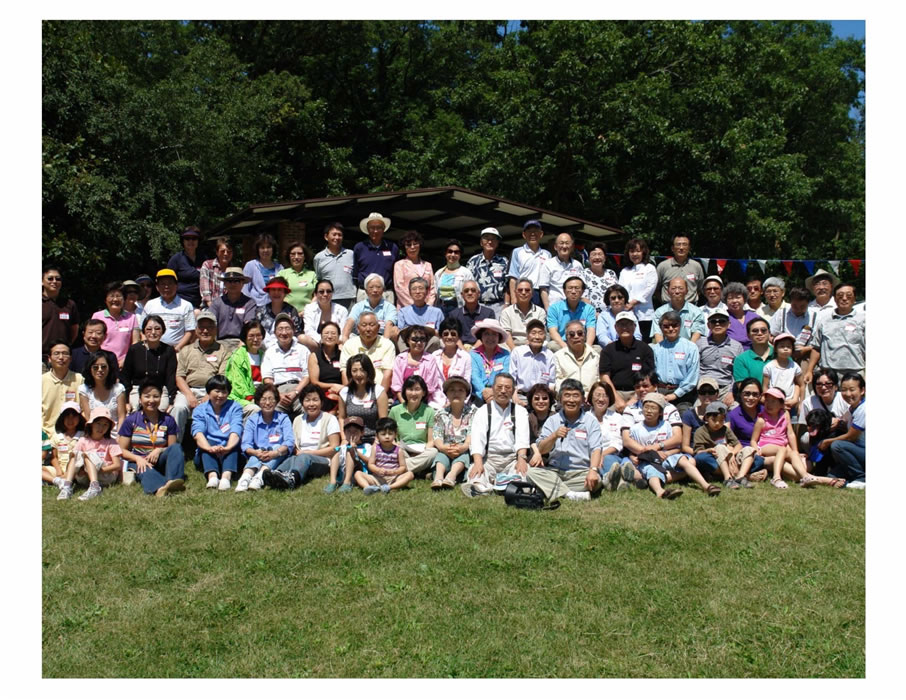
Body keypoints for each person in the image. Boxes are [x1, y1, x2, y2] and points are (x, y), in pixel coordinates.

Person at [620, 392, 707, 500]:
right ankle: (660, 491)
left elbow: (677, 448)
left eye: (653, 408)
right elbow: (632, 449)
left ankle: (706, 485)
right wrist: (637, 455)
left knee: (683, 459)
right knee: (652, 470)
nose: (649, 411)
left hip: (666, 456)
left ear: (661, 412)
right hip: (648, 460)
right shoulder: (635, 429)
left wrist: (666, 453)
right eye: (646, 407)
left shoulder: (666, 426)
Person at [528, 378, 602, 502]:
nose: (571, 400)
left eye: (575, 396)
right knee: (531, 473)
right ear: (560, 399)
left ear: (583, 400)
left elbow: (596, 449)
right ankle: (570, 494)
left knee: (596, 480)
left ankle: (550, 489)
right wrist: (554, 436)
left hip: (580, 472)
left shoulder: (591, 422)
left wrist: (593, 470)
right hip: (555, 471)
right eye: (567, 395)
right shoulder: (552, 420)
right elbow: (541, 450)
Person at [462, 373, 530, 497]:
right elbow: (477, 440)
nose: (503, 391)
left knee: (525, 473)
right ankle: (482, 487)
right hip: (489, 458)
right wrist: (478, 463)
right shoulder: (482, 411)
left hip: (512, 459)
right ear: (492, 389)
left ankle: (498, 486)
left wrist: (521, 460)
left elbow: (522, 438)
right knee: (475, 473)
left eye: (507, 388)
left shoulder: (520, 411)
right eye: (499, 387)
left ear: (513, 391)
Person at [117, 379, 187, 497]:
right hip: (139, 460)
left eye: (156, 396)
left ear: (160, 398)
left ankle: (173, 482)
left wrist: (159, 450)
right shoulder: (131, 420)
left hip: (159, 460)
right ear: (140, 399)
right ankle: (160, 488)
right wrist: (138, 459)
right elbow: (121, 450)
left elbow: (172, 447)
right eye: (147, 396)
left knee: (177, 448)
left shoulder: (168, 420)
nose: (151, 400)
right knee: (144, 468)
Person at [171, 311, 233, 441]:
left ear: (216, 330)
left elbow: (222, 377)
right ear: (196, 330)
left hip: (213, 391)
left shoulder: (224, 351)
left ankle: (211, 445)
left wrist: (209, 395)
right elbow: (179, 377)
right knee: (178, 408)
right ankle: (174, 446)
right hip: (188, 390)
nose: (205, 331)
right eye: (202, 327)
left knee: (214, 406)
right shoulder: (186, 350)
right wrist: (189, 395)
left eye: (209, 327)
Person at [235, 384, 295, 492]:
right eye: (263, 399)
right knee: (258, 453)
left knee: (276, 446)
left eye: (271, 399)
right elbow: (246, 444)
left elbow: (289, 442)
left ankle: (260, 476)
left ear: (276, 401)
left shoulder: (283, 418)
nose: (267, 403)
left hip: (279, 454)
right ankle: (245, 477)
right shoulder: (252, 420)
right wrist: (256, 452)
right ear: (258, 401)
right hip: (258, 455)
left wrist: (275, 453)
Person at [56, 406, 122, 501]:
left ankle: (95, 487)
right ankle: (67, 486)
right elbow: (73, 460)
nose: (101, 428)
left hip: (105, 476)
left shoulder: (111, 442)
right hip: (85, 476)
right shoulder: (83, 440)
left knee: (88, 455)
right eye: (98, 423)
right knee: (75, 454)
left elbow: (117, 465)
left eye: (105, 425)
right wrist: (81, 470)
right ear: (91, 424)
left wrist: (99, 470)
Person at [750, 387, 811, 489]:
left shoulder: (785, 414)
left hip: (783, 445)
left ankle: (805, 477)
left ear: (781, 404)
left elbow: (790, 433)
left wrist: (795, 451)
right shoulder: (761, 420)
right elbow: (753, 440)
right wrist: (756, 450)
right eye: (767, 401)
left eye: (773, 401)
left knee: (794, 455)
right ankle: (776, 478)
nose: (769, 404)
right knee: (782, 449)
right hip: (766, 445)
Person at [192, 374, 244, 490]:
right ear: (209, 392)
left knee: (234, 444)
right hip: (207, 450)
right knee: (207, 442)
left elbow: (236, 429)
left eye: (224, 392)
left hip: (231, 451)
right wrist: (209, 448)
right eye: (217, 391)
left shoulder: (235, 407)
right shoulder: (200, 410)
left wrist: (228, 447)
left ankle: (226, 477)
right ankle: (212, 476)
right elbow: (198, 433)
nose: (220, 395)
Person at [806, 282, 865, 378]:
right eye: (840, 296)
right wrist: (809, 370)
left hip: (855, 372)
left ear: (854, 298)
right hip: (828, 373)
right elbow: (816, 348)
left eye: (849, 295)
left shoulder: (863, 320)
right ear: (834, 299)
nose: (844, 298)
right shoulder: (824, 321)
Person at [598, 312, 655, 410]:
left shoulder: (645, 349)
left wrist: (635, 398)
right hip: (615, 392)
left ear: (635, 326)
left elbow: (648, 376)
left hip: (639, 392)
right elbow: (604, 376)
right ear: (615, 327)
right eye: (621, 324)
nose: (625, 328)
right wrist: (617, 399)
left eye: (628, 324)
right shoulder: (608, 350)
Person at [817, 372, 865, 489]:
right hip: (859, 451)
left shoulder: (864, 409)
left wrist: (827, 442)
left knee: (837, 445)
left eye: (852, 389)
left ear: (862, 390)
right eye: (844, 390)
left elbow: (851, 436)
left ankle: (861, 477)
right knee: (832, 476)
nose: (847, 394)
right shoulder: (852, 408)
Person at [430, 375, 477, 489]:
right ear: (446, 394)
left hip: (464, 448)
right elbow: (437, 436)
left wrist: (463, 447)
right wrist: (443, 448)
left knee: (464, 456)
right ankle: (438, 477)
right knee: (441, 455)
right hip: (446, 447)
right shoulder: (440, 414)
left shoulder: (474, 412)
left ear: (466, 394)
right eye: (452, 390)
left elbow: (471, 434)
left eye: (460, 390)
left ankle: (451, 476)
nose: (456, 393)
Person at [261, 312, 311, 419]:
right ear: (275, 332)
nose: (284, 332)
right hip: (278, 391)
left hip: (299, 390)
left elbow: (307, 376)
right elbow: (267, 378)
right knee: (270, 414)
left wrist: (295, 392)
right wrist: (278, 394)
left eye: (287, 328)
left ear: (293, 331)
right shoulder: (270, 352)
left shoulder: (303, 350)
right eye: (280, 329)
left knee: (310, 411)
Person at [389, 375, 439, 478]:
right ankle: (419, 471)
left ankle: (399, 469)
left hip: (422, 451)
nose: (413, 393)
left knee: (433, 452)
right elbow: (389, 435)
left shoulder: (429, 411)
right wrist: (395, 444)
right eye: (410, 389)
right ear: (404, 391)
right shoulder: (395, 410)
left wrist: (422, 452)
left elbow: (431, 440)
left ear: (423, 392)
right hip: (402, 450)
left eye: (417, 389)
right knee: (395, 450)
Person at [650, 311, 700, 410]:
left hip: (684, 394)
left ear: (680, 326)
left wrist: (675, 394)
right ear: (661, 328)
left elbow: (692, 376)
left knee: (684, 415)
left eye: (674, 325)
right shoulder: (656, 349)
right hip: (660, 392)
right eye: (666, 326)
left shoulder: (691, 347)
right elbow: (652, 373)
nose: (671, 329)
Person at [769, 287, 818, 383]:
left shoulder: (815, 317)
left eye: (802, 306)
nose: (798, 309)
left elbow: (818, 343)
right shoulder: (781, 314)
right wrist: (781, 346)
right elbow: (770, 335)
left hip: (805, 357)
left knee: (803, 384)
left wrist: (806, 349)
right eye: (795, 306)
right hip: (782, 356)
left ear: (808, 303)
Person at [337, 354, 389, 445]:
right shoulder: (345, 392)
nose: (358, 374)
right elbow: (342, 417)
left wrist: (378, 439)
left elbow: (383, 420)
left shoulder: (378, 391)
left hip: (374, 439)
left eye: (362, 370)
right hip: (352, 440)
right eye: (354, 371)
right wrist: (344, 438)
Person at [727, 378, 769, 485]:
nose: (751, 398)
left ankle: (745, 474)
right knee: (760, 460)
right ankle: (747, 475)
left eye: (755, 394)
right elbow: (729, 440)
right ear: (740, 394)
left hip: (766, 449)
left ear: (760, 396)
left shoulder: (765, 411)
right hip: (745, 453)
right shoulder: (733, 415)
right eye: (747, 394)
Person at [695, 311, 743, 406]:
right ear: (708, 325)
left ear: (728, 324)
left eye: (722, 321)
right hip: (704, 388)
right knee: (696, 410)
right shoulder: (700, 344)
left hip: (725, 389)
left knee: (735, 408)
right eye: (713, 321)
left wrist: (731, 392)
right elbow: (695, 369)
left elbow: (738, 373)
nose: (717, 324)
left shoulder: (737, 346)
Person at [692, 402, 743, 489]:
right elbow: (698, 452)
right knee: (701, 458)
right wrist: (708, 450)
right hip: (714, 459)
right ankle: (731, 476)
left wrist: (732, 453)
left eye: (721, 420)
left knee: (756, 458)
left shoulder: (725, 429)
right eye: (714, 420)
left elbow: (738, 445)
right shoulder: (700, 431)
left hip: (729, 458)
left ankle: (723, 475)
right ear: (706, 418)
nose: (717, 423)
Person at [143, 268, 197, 352]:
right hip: (152, 350)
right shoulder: (150, 305)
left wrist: (177, 349)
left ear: (176, 285)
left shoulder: (186, 305)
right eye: (163, 284)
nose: (166, 286)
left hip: (177, 351)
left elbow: (190, 331)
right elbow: (142, 329)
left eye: (170, 283)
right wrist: (147, 347)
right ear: (157, 287)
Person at [339, 312, 396, 390]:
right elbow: (345, 372)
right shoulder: (349, 344)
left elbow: (387, 374)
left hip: (379, 391)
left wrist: (381, 395)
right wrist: (349, 394)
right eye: (364, 325)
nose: (368, 329)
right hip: (355, 391)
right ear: (358, 328)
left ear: (378, 327)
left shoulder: (387, 344)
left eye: (372, 325)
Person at [392, 326, 445, 408]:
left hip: (424, 400)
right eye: (415, 339)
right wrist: (405, 404)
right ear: (408, 340)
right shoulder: (400, 359)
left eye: (422, 339)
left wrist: (416, 404)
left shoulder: (430, 359)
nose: (419, 343)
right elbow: (397, 385)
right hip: (402, 399)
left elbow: (431, 385)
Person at [357, 417, 414, 494]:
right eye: (383, 434)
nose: (387, 436)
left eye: (390, 434)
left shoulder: (398, 450)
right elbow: (371, 464)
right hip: (377, 478)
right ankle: (368, 487)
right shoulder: (375, 448)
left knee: (410, 474)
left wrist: (394, 472)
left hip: (394, 478)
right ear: (377, 436)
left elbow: (403, 467)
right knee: (358, 474)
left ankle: (390, 487)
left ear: (395, 435)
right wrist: (377, 470)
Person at [223, 320, 266, 418]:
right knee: (255, 410)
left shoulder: (264, 355)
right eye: (251, 336)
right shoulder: (238, 357)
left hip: (262, 398)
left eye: (258, 335)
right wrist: (252, 399)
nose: (255, 339)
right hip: (242, 399)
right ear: (245, 338)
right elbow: (238, 385)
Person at [618, 237, 658, 342]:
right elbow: (620, 290)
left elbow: (650, 289)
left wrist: (634, 302)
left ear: (643, 252)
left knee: (644, 343)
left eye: (638, 251)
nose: (635, 254)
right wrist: (626, 304)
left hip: (645, 314)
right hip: (627, 312)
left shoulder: (649, 268)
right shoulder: (625, 271)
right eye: (632, 251)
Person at [353, 212, 398, 304]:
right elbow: (355, 272)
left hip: (386, 293)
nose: (375, 231)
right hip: (365, 293)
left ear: (384, 229)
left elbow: (396, 272)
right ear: (367, 229)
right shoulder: (359, 247)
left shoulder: (392, 247)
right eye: (372, 228)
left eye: (379, 228)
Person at [91, 281, 140, 367]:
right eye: (111, 296)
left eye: (118, 296)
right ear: (105, 299)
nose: (115, 299)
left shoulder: (132, 317)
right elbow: (93, 341)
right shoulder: (97, 316)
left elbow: (135, 342)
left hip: (125, 364)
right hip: (102, 364)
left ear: (124, 299)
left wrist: (126, 360)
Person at [78, 350, 127, 435]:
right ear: (90, 369)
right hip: (94, 435)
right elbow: (88, 417)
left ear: (109, 368)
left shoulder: (119, 388)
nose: (100, 370)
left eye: (103, 367)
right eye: (95, 367)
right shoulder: (84, 389)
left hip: (115, 434)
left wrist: (119, 437)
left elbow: (122, 417)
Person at [208, 267, 257, 351]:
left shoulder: (249, 303)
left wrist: (244, 342)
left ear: (242, 283)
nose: (233, 284)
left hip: (241, 342)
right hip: (219, 343)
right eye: (229, 281)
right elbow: (210, 323)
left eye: (236, 281)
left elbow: (249, 325)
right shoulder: (217, 303)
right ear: (224, 284)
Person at [587, 381, 624, 489]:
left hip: (611, 455)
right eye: (598, 395)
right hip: (590, 456)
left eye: (605, 396)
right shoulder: (584, 418)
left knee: (609, 460)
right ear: (591, 397)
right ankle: (616, 480)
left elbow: (618, 442)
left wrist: (602, 455)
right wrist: (596, 456)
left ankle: (609, 479)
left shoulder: (617, 418)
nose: (601, 399)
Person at [343, 273, 400, 344]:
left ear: (383, 290)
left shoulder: (390, 307)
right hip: (361, 338)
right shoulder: (358, 306)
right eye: (371, 287)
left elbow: (389, 325)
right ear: (366, 291)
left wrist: (384, 346)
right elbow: (350, 322)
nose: (375, 290)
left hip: (381, 338)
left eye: (378, 287)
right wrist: (345, 342)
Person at [466, 226, 509, 316]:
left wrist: (507, 304)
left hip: (499, 306)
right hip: (478, 305)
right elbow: (467, 284)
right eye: (486, 238)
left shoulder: (504, 261)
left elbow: (507, 286)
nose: (490, 242)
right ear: (481, 242)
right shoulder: (473, 261)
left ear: (497, 243)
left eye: (493, 239)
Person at [42, 341, 83, 435]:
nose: (61, 357)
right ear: (49, 358)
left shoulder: (79, 379)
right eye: (56, 353)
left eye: (65, 353)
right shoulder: (42, 381)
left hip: (73, 435)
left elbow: (84, 409)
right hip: (46, 434)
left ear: (71, 358)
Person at [511, 319, 557, 402]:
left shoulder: (549, 355)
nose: (537, 337)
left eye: (541, 333)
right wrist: (515, 397)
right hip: (521, 396)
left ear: (545, 336)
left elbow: (551, 382)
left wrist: (549, 399)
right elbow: (512, 378)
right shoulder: (517, 352)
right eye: (533, 333)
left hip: (542, 398)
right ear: (527, 336)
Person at [546, 276, 597, 351]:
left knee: (598, 349)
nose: (573, 291)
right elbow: (553, 331)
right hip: (562, 343)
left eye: (577, 288)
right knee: (551, 345)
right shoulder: (554, 308)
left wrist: (587, 348)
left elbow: (591, 330)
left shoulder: (589, 309)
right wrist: (566, 348)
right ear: (564, 291)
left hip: (581, 344)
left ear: (582, 291)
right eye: (570, 288)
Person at [314, 222, 357, 310]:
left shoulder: (351, 254)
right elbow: (319, 278)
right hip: (328, 298)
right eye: (334, 234)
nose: (337, 237)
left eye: (339, 235)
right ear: (326, 237)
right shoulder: (319, 257)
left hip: (349, 298)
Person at [508, 220, 551, 306]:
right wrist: (513, 298)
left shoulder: (547, 254)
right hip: (523, 292)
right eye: (529, 231)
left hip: (541, 293)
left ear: (541, 234)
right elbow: (513, 277)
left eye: (536, 231)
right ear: (524, 234)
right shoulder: (517, 252)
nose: (533, 234)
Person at [299, 279, 349, 353]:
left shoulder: (342, 310)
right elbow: (309, 330)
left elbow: (342, 333)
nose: (325, 294)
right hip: (317, 344)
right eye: (321, 292)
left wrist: (332, 341)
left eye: (328, 291)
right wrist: (323, 340)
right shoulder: (309, 308)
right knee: (302, 338)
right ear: (315, 294)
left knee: (343, 345)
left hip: (336, 343)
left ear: (332, 293)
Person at [42, 265, 80, 362]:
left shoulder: (69, 304)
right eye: (50, 278)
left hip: (62, 358)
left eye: (58, 279)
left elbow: (74, 330)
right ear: (42, 281)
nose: (54, 281)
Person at [469, 318, 511, 405]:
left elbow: (504, 375)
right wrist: (484, 392)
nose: (490, 337)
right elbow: (474, 376)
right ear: (481, 336)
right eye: (486, 334)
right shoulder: (473, 354)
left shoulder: (505, 355)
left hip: (499, 395)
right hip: (478, 397)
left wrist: (494, 393)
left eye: (494, 334)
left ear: (499, 337)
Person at [651, 278, 705, 344]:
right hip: (666, 348)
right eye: (673, 288)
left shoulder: (696, 312)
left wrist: (689, 349)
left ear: (687, 291)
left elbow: (696, 334)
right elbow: (658, 334)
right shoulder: (660, 312)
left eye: (680, 288)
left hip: (688, 348)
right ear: (668, 291)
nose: (677, 291)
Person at [655, 233, 704, 305]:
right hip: (668, 307)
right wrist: (664, 302)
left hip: (691, 307)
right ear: (672, 248)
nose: (681, 248)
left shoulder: (696, 266)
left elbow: (700, 288)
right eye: (678, 244)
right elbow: (656, 289)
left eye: (684, 244)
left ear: (689, 248)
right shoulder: (663, 266)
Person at [553, 319, 600, 394]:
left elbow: (598, 380)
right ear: (566, 337)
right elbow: (558, 382)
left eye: (580, 333)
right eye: (572, 334)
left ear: (584, 335)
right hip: (568, 397)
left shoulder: (595, 356)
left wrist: (591, 396)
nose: (576, 336)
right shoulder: (558, 357)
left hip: (590, 397)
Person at [540, 231, 584, 309]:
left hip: (575, 308)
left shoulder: (578, 265)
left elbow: (583, 288)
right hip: (555, 307)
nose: (564, 246)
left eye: (567, 243)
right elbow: (543, 289)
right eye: (561, 243)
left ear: (572, 247)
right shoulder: (548, 264)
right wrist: (547, 308)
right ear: (555, 247)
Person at [307, 320, 344, 413]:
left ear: (338, 337)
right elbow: (314, 382)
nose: (330, 336)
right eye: (326, 333)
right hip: (321, 393)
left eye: (333, 333)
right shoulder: (314, 356)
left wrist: (340, 389)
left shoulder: (343, 355)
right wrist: (333, 386)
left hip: (340, 392)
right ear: (321, 336)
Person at [256, 277, 304, 349]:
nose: (276, 293)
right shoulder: (260, 311)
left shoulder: (292, 311)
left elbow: (297, 333)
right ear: (269, 292)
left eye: (279, 290)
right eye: (273, 290)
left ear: (285, 293)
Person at [499, 277, 547, 349]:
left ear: (532, 293)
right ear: (515, 293)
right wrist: (514, 350)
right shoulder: (506, 312)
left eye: (527, 290)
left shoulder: (540, 311)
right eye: (520, 290)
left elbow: (539, 333)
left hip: (532, 344)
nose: (523, 293)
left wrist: (527, 349)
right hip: (512, 344)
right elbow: (507, 334)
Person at [46, 402, 85, 488]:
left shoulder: (83, 435)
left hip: (77, 470)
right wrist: (59, 471)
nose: (70, 420)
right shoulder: (57, 436)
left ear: (79, 418)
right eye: (67, 416)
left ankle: (63, 479)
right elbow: (54, 457)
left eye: (74, 416)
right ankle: (57, 480)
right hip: (59, 469)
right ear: (62, 418)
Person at [328, 416, 371, 494]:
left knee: (350, 452)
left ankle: (347, 482)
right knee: (336, 452)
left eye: (355, 431)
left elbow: (369, 461)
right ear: (344, 433)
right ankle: (333, 481)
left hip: (359, 473)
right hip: (344, 473)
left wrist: (355, 451)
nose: (352, 434)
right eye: (349, 431)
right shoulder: (342, 447)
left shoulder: (367, 446)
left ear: (362, 432)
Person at [393, 230, 436, 308]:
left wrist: (428, 305)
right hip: (406, 307)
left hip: (427, 308)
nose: (412, 247)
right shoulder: (399, 265)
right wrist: (415, 306)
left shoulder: (428, 265)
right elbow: (399, 288)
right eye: (409, 245)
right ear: (404, 247)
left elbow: (432, 288)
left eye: (415, 244)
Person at [762, 333, 803, 414]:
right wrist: (769, 401)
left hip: (790, 404)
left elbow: (800, 385)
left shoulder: (795, 366)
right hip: (774, 404)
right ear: (775, 349)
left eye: (789, 346)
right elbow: (765, 387)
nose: (785, 349)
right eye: (782, 346)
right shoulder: (769, 367)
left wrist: (798, 401)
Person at [396, 277, 445, 344]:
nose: (417, 292)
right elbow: (401, 333)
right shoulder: (403, 312)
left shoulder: (437, 312)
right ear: (410, 292)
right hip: (410, 344)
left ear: (427, 292)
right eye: (414, 289)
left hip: (429, 343)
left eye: (421, 288)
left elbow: (441, 334)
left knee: (435, 340)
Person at [448, 280, 495, 348]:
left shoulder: (489, 313)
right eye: (466, 291)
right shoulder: (453, 314)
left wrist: (473, 350)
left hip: (482, 348)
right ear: (462, 295)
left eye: (473, 290)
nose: (470, 293)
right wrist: (464, 351)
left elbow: (489, 336)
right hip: (460, 349)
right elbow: (454, 336)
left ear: (479, 293)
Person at [167, 226, 205, 308]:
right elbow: (168, 282)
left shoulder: (204, 259)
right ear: (183, 241)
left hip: (201, 303)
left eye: (194, 238)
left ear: (198, 241)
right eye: (187, 238)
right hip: (180, 303)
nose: (191, 241)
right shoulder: (176, 259)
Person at [242, 232, 284, 307]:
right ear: (258, 250)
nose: (265, 250)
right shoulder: (251, 265)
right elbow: (245, 290)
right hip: (254, 307)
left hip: (274, 307)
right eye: (262, 247)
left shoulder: (280, 268)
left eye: (268, 247)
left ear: (273, 249)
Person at [434, 239, 475, 315]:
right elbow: (435, 294)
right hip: (441, 308)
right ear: (445, 253)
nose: (452, 255)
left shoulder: (466, 273)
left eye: (456, 252)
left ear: (460, 255)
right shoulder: (439, 273)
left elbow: (473, 292)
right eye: (450, 251)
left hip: (457, 307)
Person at [278, 241, 318, 310]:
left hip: (308, 313)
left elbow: (317, 294)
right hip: (286, 312)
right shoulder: (282, 274)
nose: (296, 257)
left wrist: (307, 310)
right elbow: (276, 294)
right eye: (293, 254)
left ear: (305, 256)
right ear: (289, 256)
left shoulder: (312, 274)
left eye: (300, 254)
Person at [732, 317, 774, 383]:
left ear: (769, 333)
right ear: (748, 335)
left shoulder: (781, 355)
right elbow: (743, 386)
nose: (760, 333)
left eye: (763, 330)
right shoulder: (741, 360)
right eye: (755, 331)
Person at [582, 242, 619, 316]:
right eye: (593, 254)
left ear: (605, 258)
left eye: (600, 254)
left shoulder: (611, 273)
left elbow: (618, 293)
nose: (597, 257)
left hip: (612, 316)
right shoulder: (583, 274)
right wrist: (596, 315)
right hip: (592, 316)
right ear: (588, 258)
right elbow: (583, 298)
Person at [432, 317, 473, 384]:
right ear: (441, 336)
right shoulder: (434, 356)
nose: (449, 337)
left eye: (453, 334)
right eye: (446, 334)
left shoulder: (465, 357)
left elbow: (467, 382)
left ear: (459, 336)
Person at [722, 282, 761, 350]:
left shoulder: (754, 317)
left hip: (754, 353)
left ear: (744, 299)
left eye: (738, 297)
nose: (734, 301)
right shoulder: (721, 318)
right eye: (730, 298)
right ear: (725, 301)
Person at [199, 237, 235, 309]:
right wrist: (215, 309)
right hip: (209, 307)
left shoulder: (234, 270)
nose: (226, 254)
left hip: (228, 308)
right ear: (217, 252)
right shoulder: (207, 265)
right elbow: (206, 292)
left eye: (229, 251)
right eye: (222, 251)